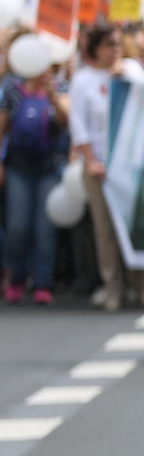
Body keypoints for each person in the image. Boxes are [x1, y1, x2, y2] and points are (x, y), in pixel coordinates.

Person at [68, 22, 144, 310]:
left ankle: (140, 285)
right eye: (109, 44)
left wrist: (126, 80)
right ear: (95, 48)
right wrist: (90, 159)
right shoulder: (84, 80)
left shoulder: (132, 70)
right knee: (105, 229)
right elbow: (78, 124)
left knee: (131, 225)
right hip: (99, 164)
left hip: (129, 164)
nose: (115, 49)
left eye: (118, 43)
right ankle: (112, 287)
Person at [0, 42, 69, 305]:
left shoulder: (61, 89)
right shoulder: (12, 92)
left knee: (45, 228)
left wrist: (53, 97)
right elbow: (2, 128)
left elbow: (67, 121)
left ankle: (43, 282)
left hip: (50, 168)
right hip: (19, 168)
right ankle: (16, 277)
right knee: (17, 226)